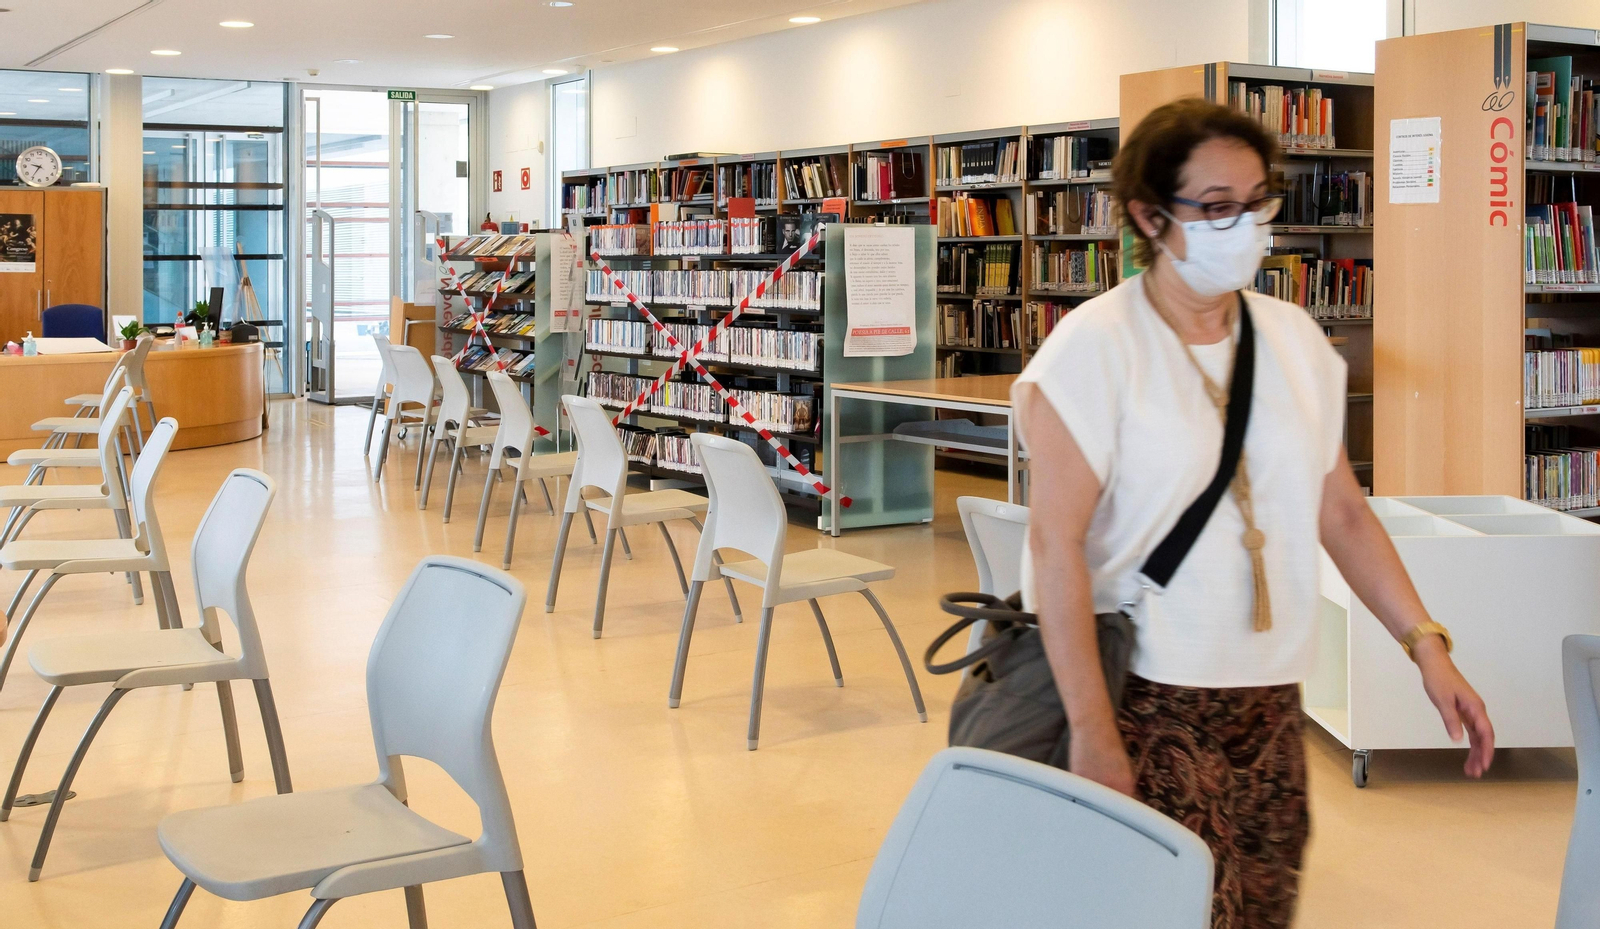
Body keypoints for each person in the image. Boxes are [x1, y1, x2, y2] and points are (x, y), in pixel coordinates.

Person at [1012, 98, 1494, 928]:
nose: (1245, 225)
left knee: (1264, 908)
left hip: (1271, 700)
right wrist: (1092, 730)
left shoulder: (1294, 338)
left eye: (1256, 201)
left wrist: (1425, 643)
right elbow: (1056, 545)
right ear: (1150, 217)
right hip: (1147, 695)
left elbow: (1341, 511)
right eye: (1217, 207)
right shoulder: (1095, 349)